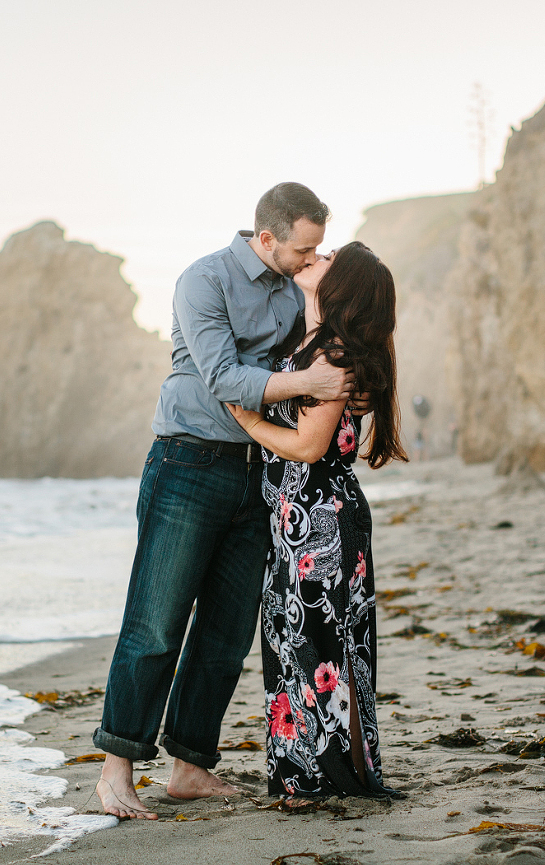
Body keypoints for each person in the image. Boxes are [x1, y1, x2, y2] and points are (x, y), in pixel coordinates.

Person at [93, 183, 356, 820]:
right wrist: (310, 381)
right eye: (302, 249)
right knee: (156, 623)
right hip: (188, 463)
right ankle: (116, 770)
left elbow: (312, 355)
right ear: (265, 238)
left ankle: (188, 767)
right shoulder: (202, 281)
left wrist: (322, 316)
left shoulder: (299, 289)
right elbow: (224, 380)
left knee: (225, 631)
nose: (309, 259)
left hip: (261, 473)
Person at [227, 241, 406, 799]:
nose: (316, 255)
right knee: (298, 636)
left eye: (330, 257)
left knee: (321, 642)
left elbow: (306, 447)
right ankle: (315, 768)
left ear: (342, 287)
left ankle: (331, 772)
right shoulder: (309, 345)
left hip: (320, 517)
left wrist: (246, 418)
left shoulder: (333, 356)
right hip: (299, 518)